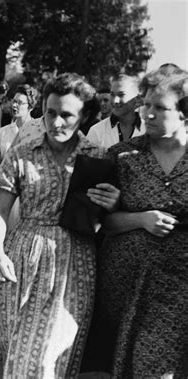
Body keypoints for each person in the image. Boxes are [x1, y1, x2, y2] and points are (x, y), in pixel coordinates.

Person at [0, 73, 120, 378]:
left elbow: (105, 219)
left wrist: (112, 202)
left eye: (66, 115)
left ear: (85, 116)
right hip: (23, 258)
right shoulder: (22, 153)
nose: (56, 122)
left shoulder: (97, 158)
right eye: (51, 112)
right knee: (20, 355)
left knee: (53, 358)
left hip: (74, 265)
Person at [94, 70, 188, 377]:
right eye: (146, 104)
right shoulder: (122, 156)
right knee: (129, 364)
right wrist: (141, 219)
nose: (147, 113)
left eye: (159, 107)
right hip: (126, 283)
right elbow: (104, 223)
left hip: (179, 284)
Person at [87, 74, 145, 149]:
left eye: (121, 95)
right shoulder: (97, 131)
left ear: (137, 98)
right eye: (112, 95)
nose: (115, 101)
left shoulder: (148, 131)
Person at [0, 84, 40, 163]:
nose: (14, 105)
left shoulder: (38, 130)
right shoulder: (4, 131)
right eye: (14, 101)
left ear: (30, 106)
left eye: (20, 103)